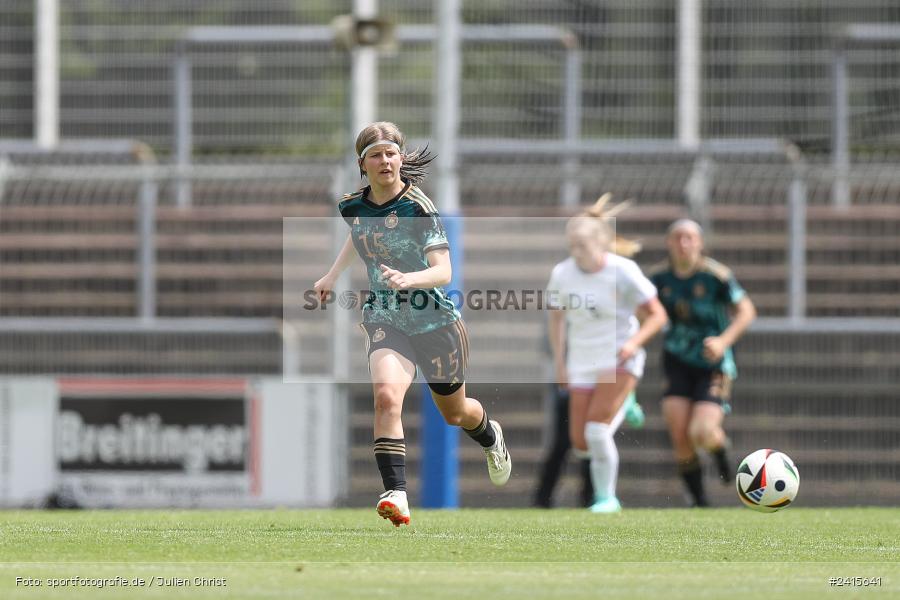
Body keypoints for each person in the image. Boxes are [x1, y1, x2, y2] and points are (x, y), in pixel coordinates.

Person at [314, 121, 511, 527]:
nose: (385, 161)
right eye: (376, 155)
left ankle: (490, 435)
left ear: (400, 158)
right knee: (387, 396)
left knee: (455, 415)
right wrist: (332, 276)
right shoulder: (352, 205)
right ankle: (396, 494)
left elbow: (443, 271)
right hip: (385, 315)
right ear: (362, 164)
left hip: (435, 322)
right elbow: (359, 233)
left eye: (391, 153)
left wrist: (410, 279)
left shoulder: (419, 207)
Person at [546, 195, 667, 513]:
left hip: (619, 360)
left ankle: (606, 498)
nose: (576, 252)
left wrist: (634, 343)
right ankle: (625, 403)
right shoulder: (562, 274)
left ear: (601, 244)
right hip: (582, 363)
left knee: (597, 432)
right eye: (572, 245)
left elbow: (657, 315)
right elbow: (557, 320)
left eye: (582, 246)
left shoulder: (623, 271)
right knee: (581, 444)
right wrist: (560, 363)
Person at [648, 219, 757, 507]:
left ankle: (720, 452)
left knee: (702, 431)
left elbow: (746, 311)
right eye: (678, 238)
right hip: (676, 360)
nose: (683, 244)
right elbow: (643, 310)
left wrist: (723, 341)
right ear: (669, 243)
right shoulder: (658, 279)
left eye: (690, 238)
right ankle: (700, 504)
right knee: (680, 435)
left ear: (700, 243)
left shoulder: (716, 276)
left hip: (712, 364)